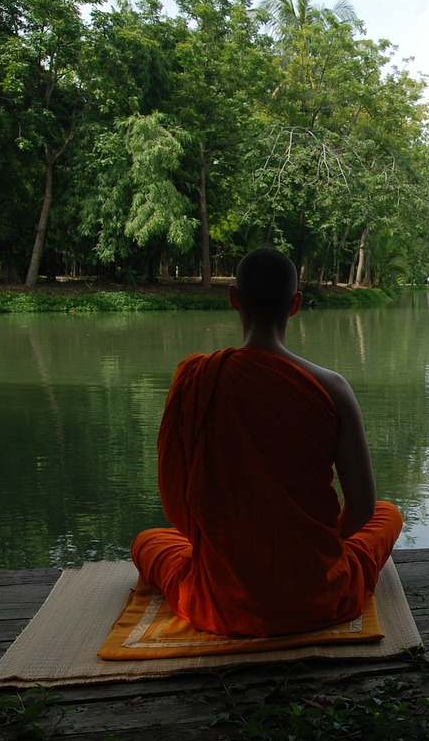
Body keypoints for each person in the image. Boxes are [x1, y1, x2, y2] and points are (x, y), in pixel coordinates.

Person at [130, 246, 402, 637]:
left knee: (149, 540)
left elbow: (177, 509)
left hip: (222, 602)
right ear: (295, 305)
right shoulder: (333, 387)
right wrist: (311, 544)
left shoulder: (197, 380)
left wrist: (233, 547)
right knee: (387, 513)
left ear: (233, 299)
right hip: (320, 594)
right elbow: (360, 509)